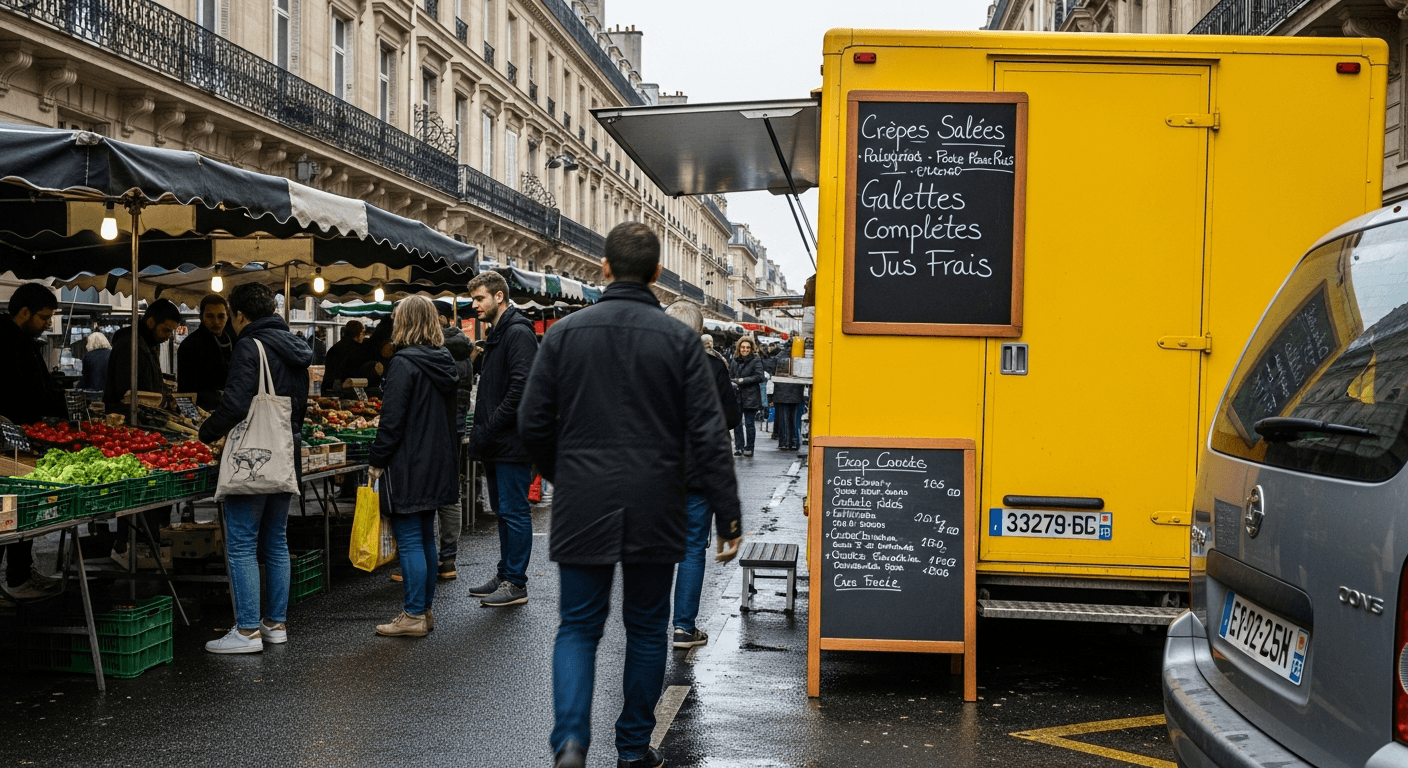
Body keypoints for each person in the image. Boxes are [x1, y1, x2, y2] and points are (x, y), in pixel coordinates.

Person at [519, 222, 742, 768]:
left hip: (583, 497)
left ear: (604, 267)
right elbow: (709, 436)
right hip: (656, 499)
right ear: (659, 274)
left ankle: (571, 742)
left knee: (577, 626)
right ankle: (634, 747)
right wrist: (728, 518)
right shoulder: (681, 342)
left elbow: (532, 421)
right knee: (646, 627)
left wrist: (562, 472)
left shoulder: (565, 334)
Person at [198, 283, 312, 654]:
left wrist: (207, 432)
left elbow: (235, 405)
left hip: (254, 458)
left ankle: (247, 631)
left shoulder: (252, 346)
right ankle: (275, 624)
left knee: (243, 542)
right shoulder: (296, 348)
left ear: (240, 315)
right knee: (276, 541)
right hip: (285, 453)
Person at [368, 296, 460, 637]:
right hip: (437, 460)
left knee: (409, 539)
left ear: (405, 321)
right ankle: (424, 612)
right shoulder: (444, 359)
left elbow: (391, 422)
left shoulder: (404, 363)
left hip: (409, 461)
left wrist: (377, 460)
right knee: (424, 537)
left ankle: (413, 614)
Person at [664, 302, 742, 650]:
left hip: (655, 474)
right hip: (696, 472)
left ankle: (650, 625)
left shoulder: (646, 365)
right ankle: (683, 627)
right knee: (692, 549)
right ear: (699, 333)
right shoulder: (712, 367)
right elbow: (730, 418)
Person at [466, 270, 539, 608]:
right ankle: (505, 573)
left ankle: (516, 582)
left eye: (479, 298)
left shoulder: (518, 332)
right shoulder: (500, 333)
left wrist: (493, 424)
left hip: (510, 441)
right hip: (498, 441)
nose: (474, 305)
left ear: (499, 297)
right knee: (503, 510)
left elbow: (522, 388)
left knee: (514, 510)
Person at [0, 283, 66, 603]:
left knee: (20, 510)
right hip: (4, 444)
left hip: (24, 440)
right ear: (23, 312)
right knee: (5, 513)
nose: (48, 323)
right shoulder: (3, 342)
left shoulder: (25, 342)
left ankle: (20, 575)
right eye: (44, 316)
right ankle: (15, 579)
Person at [432, 299, 475, 579]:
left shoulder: (437, 349)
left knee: (426, 488)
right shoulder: (464, 348)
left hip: (436, 422)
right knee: (451, 489)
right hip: (457, 422)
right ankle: (448, 559)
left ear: (442, 319)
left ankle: (421, 557)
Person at [104, 298, 181, 409]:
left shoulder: (150, 344)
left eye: (171, 332)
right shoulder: (130, 346)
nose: (169, 336)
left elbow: (146, 378)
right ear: (150, 322)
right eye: (166, 330)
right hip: (126, 419)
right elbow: (127, 393)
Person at [177, 294, 235, 411]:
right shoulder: (189, 346)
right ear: (201, 317)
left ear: (227, 316)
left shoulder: (233, 341)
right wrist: (192, 421)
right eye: (210, 316)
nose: (216, 321)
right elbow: (184, 393)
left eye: (221, 316)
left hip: (228, 413)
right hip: (202, 415)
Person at [729, 337, 764, 457]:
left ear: (751, 348)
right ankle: (739, 447)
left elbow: (759, 376)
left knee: (749, 424)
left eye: (748, 347)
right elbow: (731, 375)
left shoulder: (756, 360)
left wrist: (743, 380)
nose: (745, 349)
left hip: (751, 395)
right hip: (737, 395)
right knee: (737, 423)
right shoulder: (734, 360)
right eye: (743, 347)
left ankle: (749, 447)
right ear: (739, 348)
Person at [324, 320, 369, 389]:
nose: (363, 337)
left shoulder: (334, 347)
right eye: (362, 333)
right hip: (346, 388)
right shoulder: (357, 349)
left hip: (328, 386)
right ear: (358, 334)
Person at [773, 379, 805, 452]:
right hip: (797, 389)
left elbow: (769, 369)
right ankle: (794, 441)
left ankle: (784, 442)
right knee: (795, 419)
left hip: (781, 390)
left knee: (783, 418)